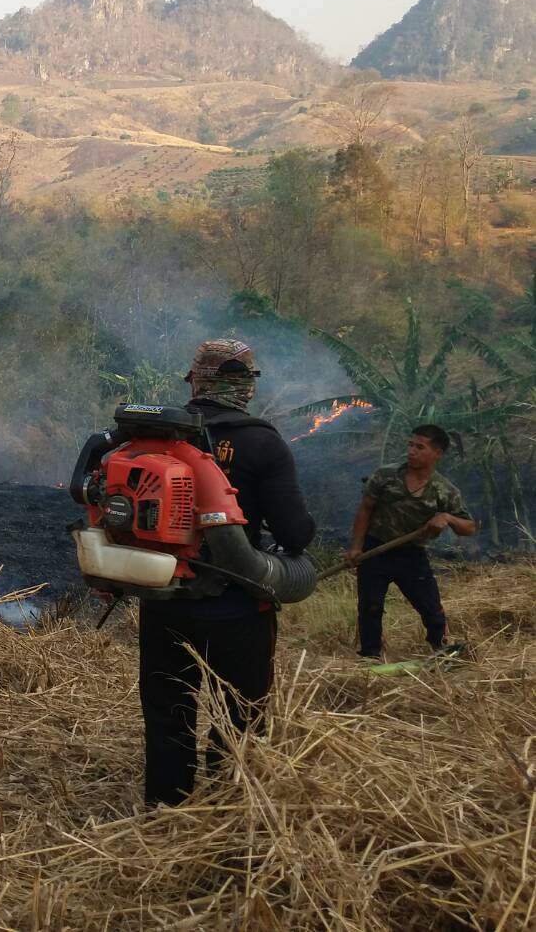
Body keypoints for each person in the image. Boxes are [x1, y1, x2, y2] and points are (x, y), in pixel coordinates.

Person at [139, 338, 317, 807]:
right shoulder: (261, 442)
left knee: (167, 714)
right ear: (247, 386)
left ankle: (165, 810)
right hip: (238, 607)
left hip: (162, 599)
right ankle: (224, 811)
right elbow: (295, 533)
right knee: (240, 715)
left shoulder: (154, 435)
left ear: (195, 379)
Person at [347, 425, 476, 659]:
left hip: (411, 555)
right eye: (410, 445)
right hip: (375, 549)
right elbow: (365, 510)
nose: (411, 451)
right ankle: (370, 657)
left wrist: (446, 517)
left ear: (437, 453)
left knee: (432, 610)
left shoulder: (444, 491)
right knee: (370, 607)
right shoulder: (385, 475)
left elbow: (469, 527)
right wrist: (356, 547)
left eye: (420, 447)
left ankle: (441, 649)